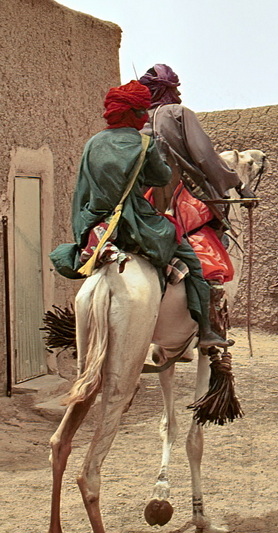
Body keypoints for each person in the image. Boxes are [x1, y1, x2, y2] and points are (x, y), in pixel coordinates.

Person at [49, 81, 231, 349]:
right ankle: (206, 331)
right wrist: (157, 154)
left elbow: (82, 191)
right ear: (132, 114)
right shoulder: (144, 144)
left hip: (98, 225)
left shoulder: (93, 143)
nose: (146, 117)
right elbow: (162, 178)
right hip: (138, 224)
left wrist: (85, 228)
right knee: (193, 261)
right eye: (142, 111)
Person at [139, 63, 258, 344]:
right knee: (207, 233)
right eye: (175, 88)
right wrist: (237, 184)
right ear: (168, 90)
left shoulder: (137, 118)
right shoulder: (178, 113)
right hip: (175, 197)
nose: (179, 94)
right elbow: (204, 156)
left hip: (139, 203)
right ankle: (211, 314)